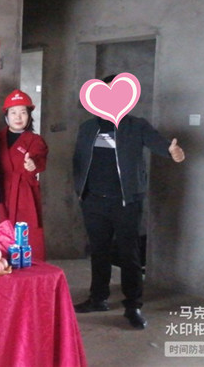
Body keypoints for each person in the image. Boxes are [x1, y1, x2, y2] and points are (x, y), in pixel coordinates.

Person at [72, 75, 186, 329]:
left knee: (128, 254)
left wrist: (171, 151)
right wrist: (81, 191)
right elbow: (78, 160)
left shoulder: (137, 126)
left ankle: (133, 305)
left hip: (126, 202)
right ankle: (98, 298)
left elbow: (158, 143)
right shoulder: (88, 127)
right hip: (93, 202)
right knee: (99, 252)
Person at [0, 89, 48, 261]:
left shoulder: (36, 140)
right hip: (0, 193)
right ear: (6, 115)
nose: (18, 117)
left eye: (23, 112)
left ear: (29, 115)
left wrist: (32, 165)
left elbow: (39, 159)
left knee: (27, 238)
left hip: (24, 195)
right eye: (13, 112)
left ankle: (30, 271)